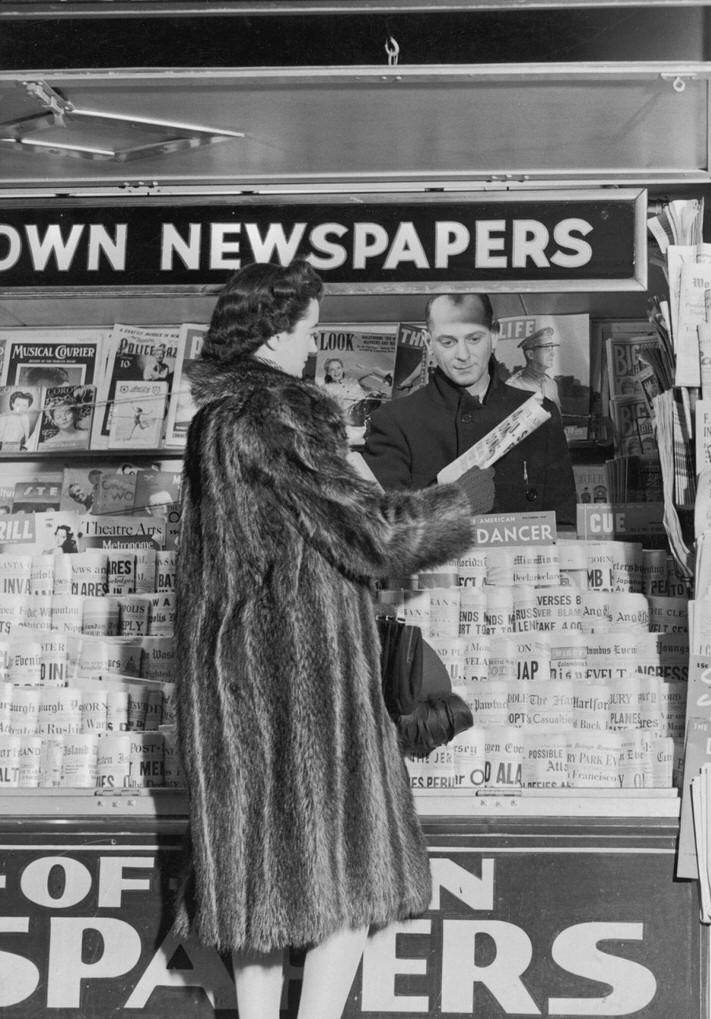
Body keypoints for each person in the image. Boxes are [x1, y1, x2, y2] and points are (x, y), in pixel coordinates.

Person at [170, 260, 495, 1019]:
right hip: (307, 689)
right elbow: (373, 533)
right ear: (275, 331)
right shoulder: (281, 414)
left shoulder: (213, 422)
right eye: (309, 328)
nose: (311, 345)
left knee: (253, 898)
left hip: (232, 688)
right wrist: (459, 503)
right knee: (351, 886)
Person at [363, 293, 578, 527]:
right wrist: (451, 505)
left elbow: (564, 527)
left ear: (494, 336)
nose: (463, 356)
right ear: (428, 343)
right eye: (448, 342)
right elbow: (378, 535)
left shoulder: (540, 412)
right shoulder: (394, 421)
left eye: (474, 339)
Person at [506, 325, 561, 405]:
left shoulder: (551, 384)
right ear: (531, 355)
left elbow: (557, 416)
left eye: (552, 349)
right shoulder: (513, 386)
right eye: (547, 349)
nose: (553, 354)